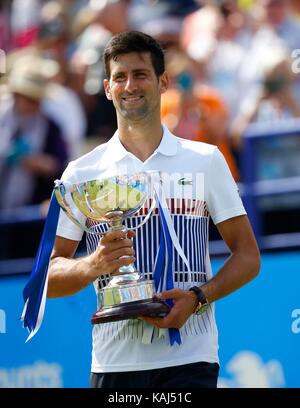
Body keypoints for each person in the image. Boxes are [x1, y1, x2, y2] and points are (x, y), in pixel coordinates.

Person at [47, 31, 260, 388]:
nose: (130, 85)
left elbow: (248, 256)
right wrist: (93, 265)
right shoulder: (81, 173)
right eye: (120, 77)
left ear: (163, 82)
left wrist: (197, 298)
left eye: (141, 74)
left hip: (191, 359)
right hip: (113, 365)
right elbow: (48, 278)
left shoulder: (205, 160)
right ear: (107, 88)